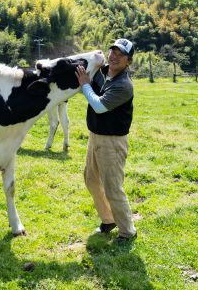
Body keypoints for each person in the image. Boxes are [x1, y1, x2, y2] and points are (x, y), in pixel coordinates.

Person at [75, 38, 137, 243]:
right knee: (91, 180)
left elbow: (99, 106)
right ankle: (108, 220)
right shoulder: (101, 73)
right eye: (113, 51)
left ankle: (127, 232)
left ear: (128, 61)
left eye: (120, 54)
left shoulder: (124, 86)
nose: (114, 56)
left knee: (112, 187)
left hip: (112, 142)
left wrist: (85, 85)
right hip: (95, 137)